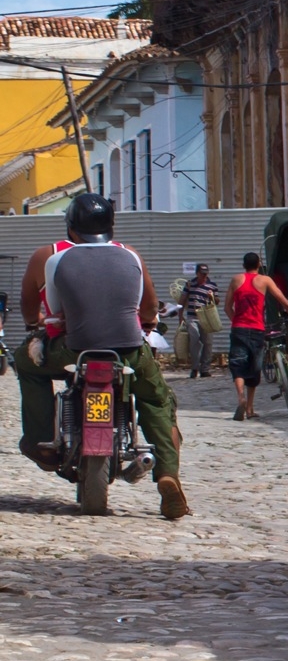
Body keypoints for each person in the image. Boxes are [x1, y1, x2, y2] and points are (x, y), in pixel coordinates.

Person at [12, 193, 188, 519]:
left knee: (26, 363)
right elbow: (148, 306)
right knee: (156, 400)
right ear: (111, 224)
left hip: (72, 349)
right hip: (128, 351)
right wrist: (147, 322)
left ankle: (39, 440)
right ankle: (167, 472)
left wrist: (34, 324)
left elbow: (31, 303)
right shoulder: (130, 255)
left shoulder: (49, 256)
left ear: (70, 226)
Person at [226, 251, 288, 422]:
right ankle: (250, 408)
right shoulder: (265, 280)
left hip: (239, 329)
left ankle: (241, 399)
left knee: (238, 365)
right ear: (259, 264)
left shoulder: (236, 279)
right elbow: (284, 301)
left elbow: (227, 307)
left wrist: (237, 321)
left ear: (243, 265)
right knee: (254, 368)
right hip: (257, 330)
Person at [180, 263, 219, 378]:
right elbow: (182, 300)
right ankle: (194, 367)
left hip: (207, 318)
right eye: (202, 274)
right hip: (192, 317)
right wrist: (180, 316)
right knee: (195, 340)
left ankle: (205, 369)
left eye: (206, 274)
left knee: (207, 343)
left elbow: (217, 302)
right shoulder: (189, 284)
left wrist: (212, 296)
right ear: (197, 273)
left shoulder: (212, 285)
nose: (204, 276)